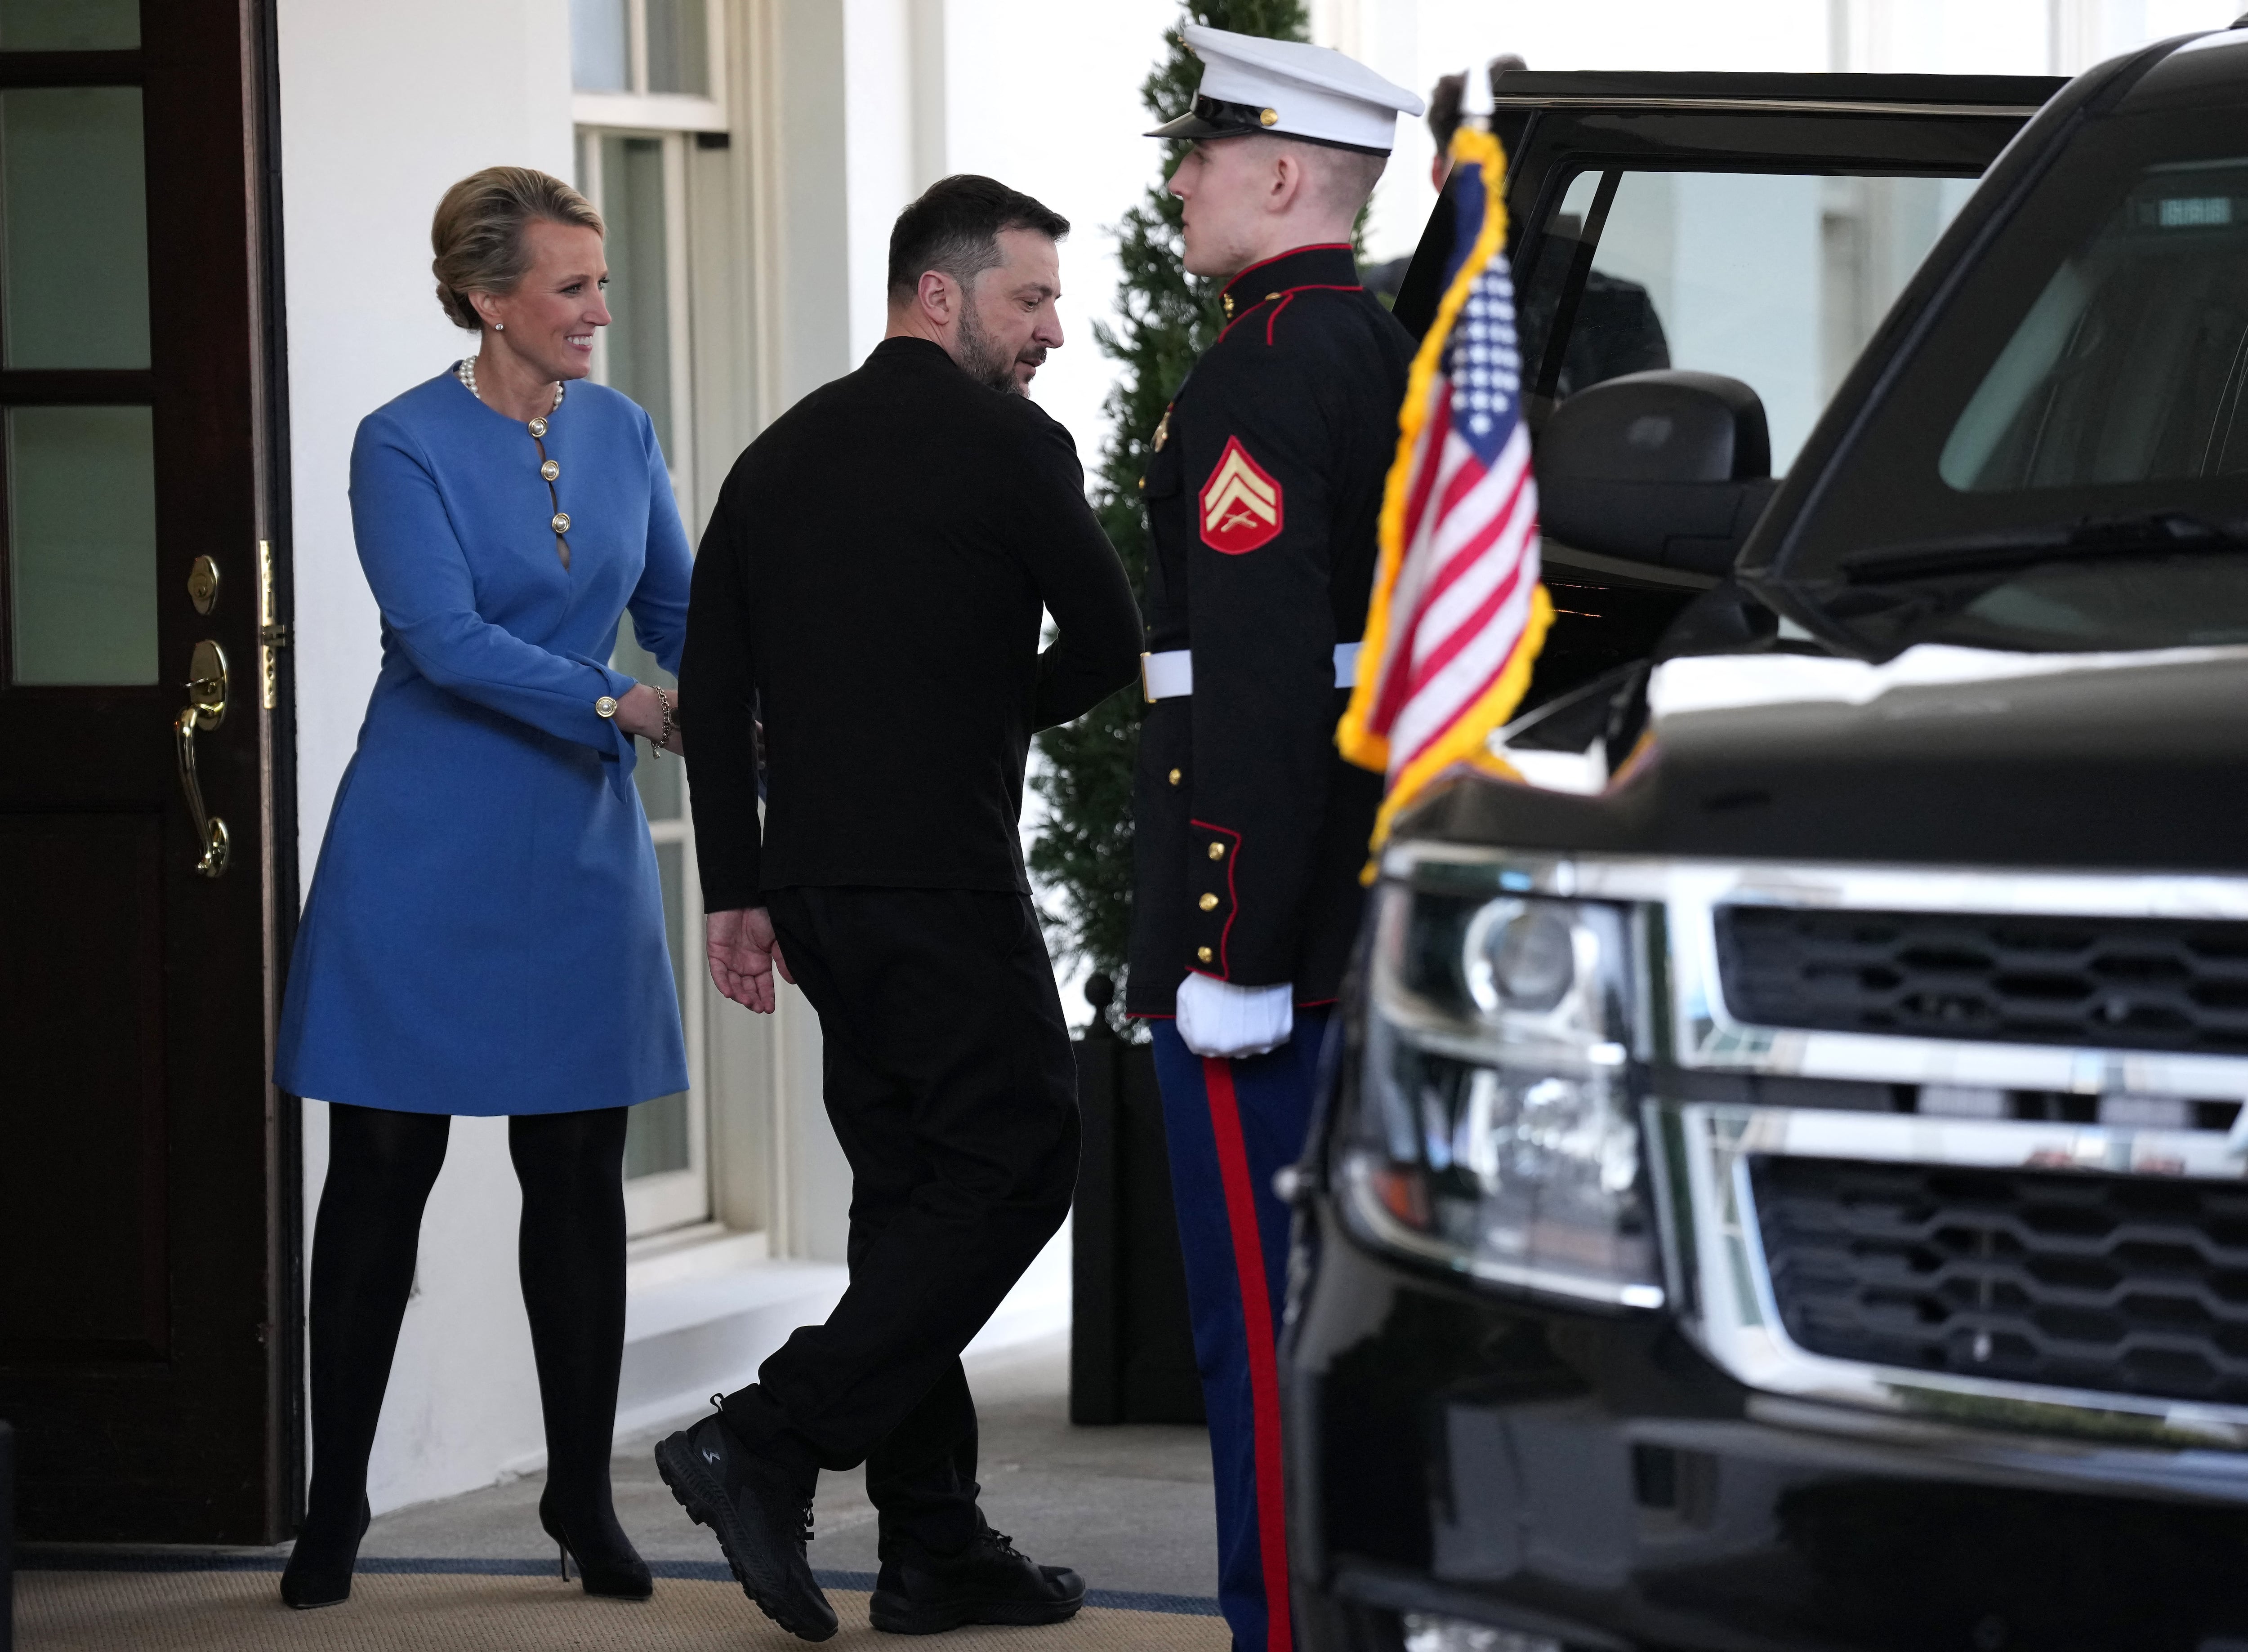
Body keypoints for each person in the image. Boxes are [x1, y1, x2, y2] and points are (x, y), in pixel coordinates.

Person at [655, 174, 1141, 1642]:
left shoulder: (772, 458)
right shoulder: (1013, 446)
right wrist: (997, 713)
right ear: (942, 294)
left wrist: (736, 890)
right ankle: (772, 1431)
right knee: (1020, 1158)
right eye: (1031, 297)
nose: (1054, 328)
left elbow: (717, 693)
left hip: (812, 885)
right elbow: (1116, 637)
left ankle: (932, 1546)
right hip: (942, 873)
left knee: (911, 1197)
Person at [272, 166, 691, 1610]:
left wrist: (743, 694)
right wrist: (620, 705)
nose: (598, 309)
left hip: (577, 853)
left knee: (575, 1172)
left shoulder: (627, 432)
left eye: (599, 280)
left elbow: (686, 616)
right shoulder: (402, 441)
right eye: (572, 286)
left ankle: (583, 1491)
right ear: (486, 297)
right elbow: (442, 640)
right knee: (383, 1168)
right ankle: (338, 1502)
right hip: (424, 844)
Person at [1124, 28, 1421, 1652]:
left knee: (1262, 1327)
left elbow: (1248, 690)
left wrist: (1227, 949)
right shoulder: (1378, 347)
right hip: (1363, 912)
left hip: (1271, 950)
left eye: (1205, 152)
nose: (1177, 180)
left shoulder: (1257, 368)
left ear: (1285, 175)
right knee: (1347, 1329)